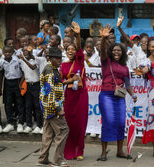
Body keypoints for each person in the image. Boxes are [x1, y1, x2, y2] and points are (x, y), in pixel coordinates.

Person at [98, 25, 137, 161]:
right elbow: (102, 50)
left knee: (121, 123)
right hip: (106, 95)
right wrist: (103, 38)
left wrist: (133, 95)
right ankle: (104, 152)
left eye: (119, 50)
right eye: (114, 50)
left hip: (119, 97)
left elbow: (127, 84)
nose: (116, 52)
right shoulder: (105, 61)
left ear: (122, 53)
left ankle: (120, 151)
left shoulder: (125, 67)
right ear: (111, 51)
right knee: (108, 122)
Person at [59, 22, 88, 161]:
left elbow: (79, 47)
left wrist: (77, 34)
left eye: (73, 49)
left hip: (81, 96)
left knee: (80, 124)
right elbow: (59, 82)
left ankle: (79, 150)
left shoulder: (80, 61)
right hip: (69, 96)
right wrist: (68, 81)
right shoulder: (63, 65)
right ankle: (68, 151)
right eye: (68, 49)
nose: (70, 51)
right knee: (69, 124)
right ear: (65, 51)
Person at [37, 47, 69, 167]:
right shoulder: (50, 71)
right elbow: (50, 92)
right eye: (57, 58)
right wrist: (58, 108)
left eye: (60, 58)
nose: (59, 60)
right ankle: (58, 160)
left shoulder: (51, 69)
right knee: (63, 130)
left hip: (47, 107)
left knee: (48, 133)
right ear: (50, 58)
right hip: (52, 108)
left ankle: (43, 158)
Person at [0, 46, 24, 133]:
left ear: (12, 52)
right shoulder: (1, 62)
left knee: (19, 102)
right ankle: (10, 123)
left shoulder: (17, 60)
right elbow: (1, 73)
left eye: (9, 52)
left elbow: (23, 71)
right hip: (7, 83)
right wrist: (0, 86)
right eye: (5, 52)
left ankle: (20, 122)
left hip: (17, 82)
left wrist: (21, 84)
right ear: (3, 53)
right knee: (8, 103)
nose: (7, 54)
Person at [18, 46, 43, 134]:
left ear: (31, 51)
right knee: (28, 106)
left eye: (27, 50)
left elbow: (32, 67)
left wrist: (24, 60)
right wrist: (20, 84)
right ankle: (29, 125)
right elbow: (25, 73)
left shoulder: (35, 60)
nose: (25, 52)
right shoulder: (22, 61)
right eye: (24, 50)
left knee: (37, 106)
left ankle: (39, 125)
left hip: (36, 85)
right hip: (28, 85)